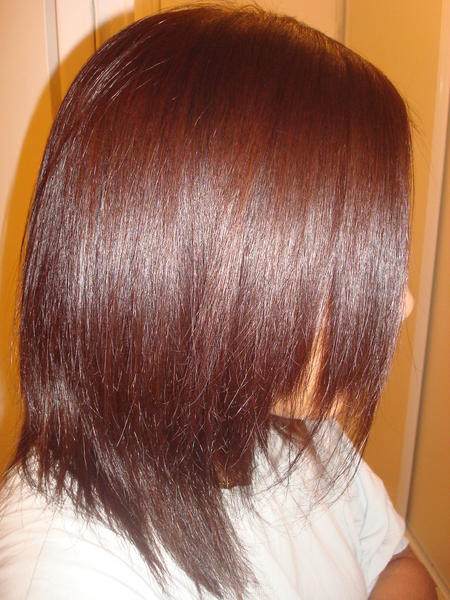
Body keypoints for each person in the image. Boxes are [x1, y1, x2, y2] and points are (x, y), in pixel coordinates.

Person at [0, 5, 436, 599]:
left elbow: (400, 563)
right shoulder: (71, 570)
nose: (402, 303)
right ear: (194, 275)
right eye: (340, 262)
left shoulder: (290, 427)